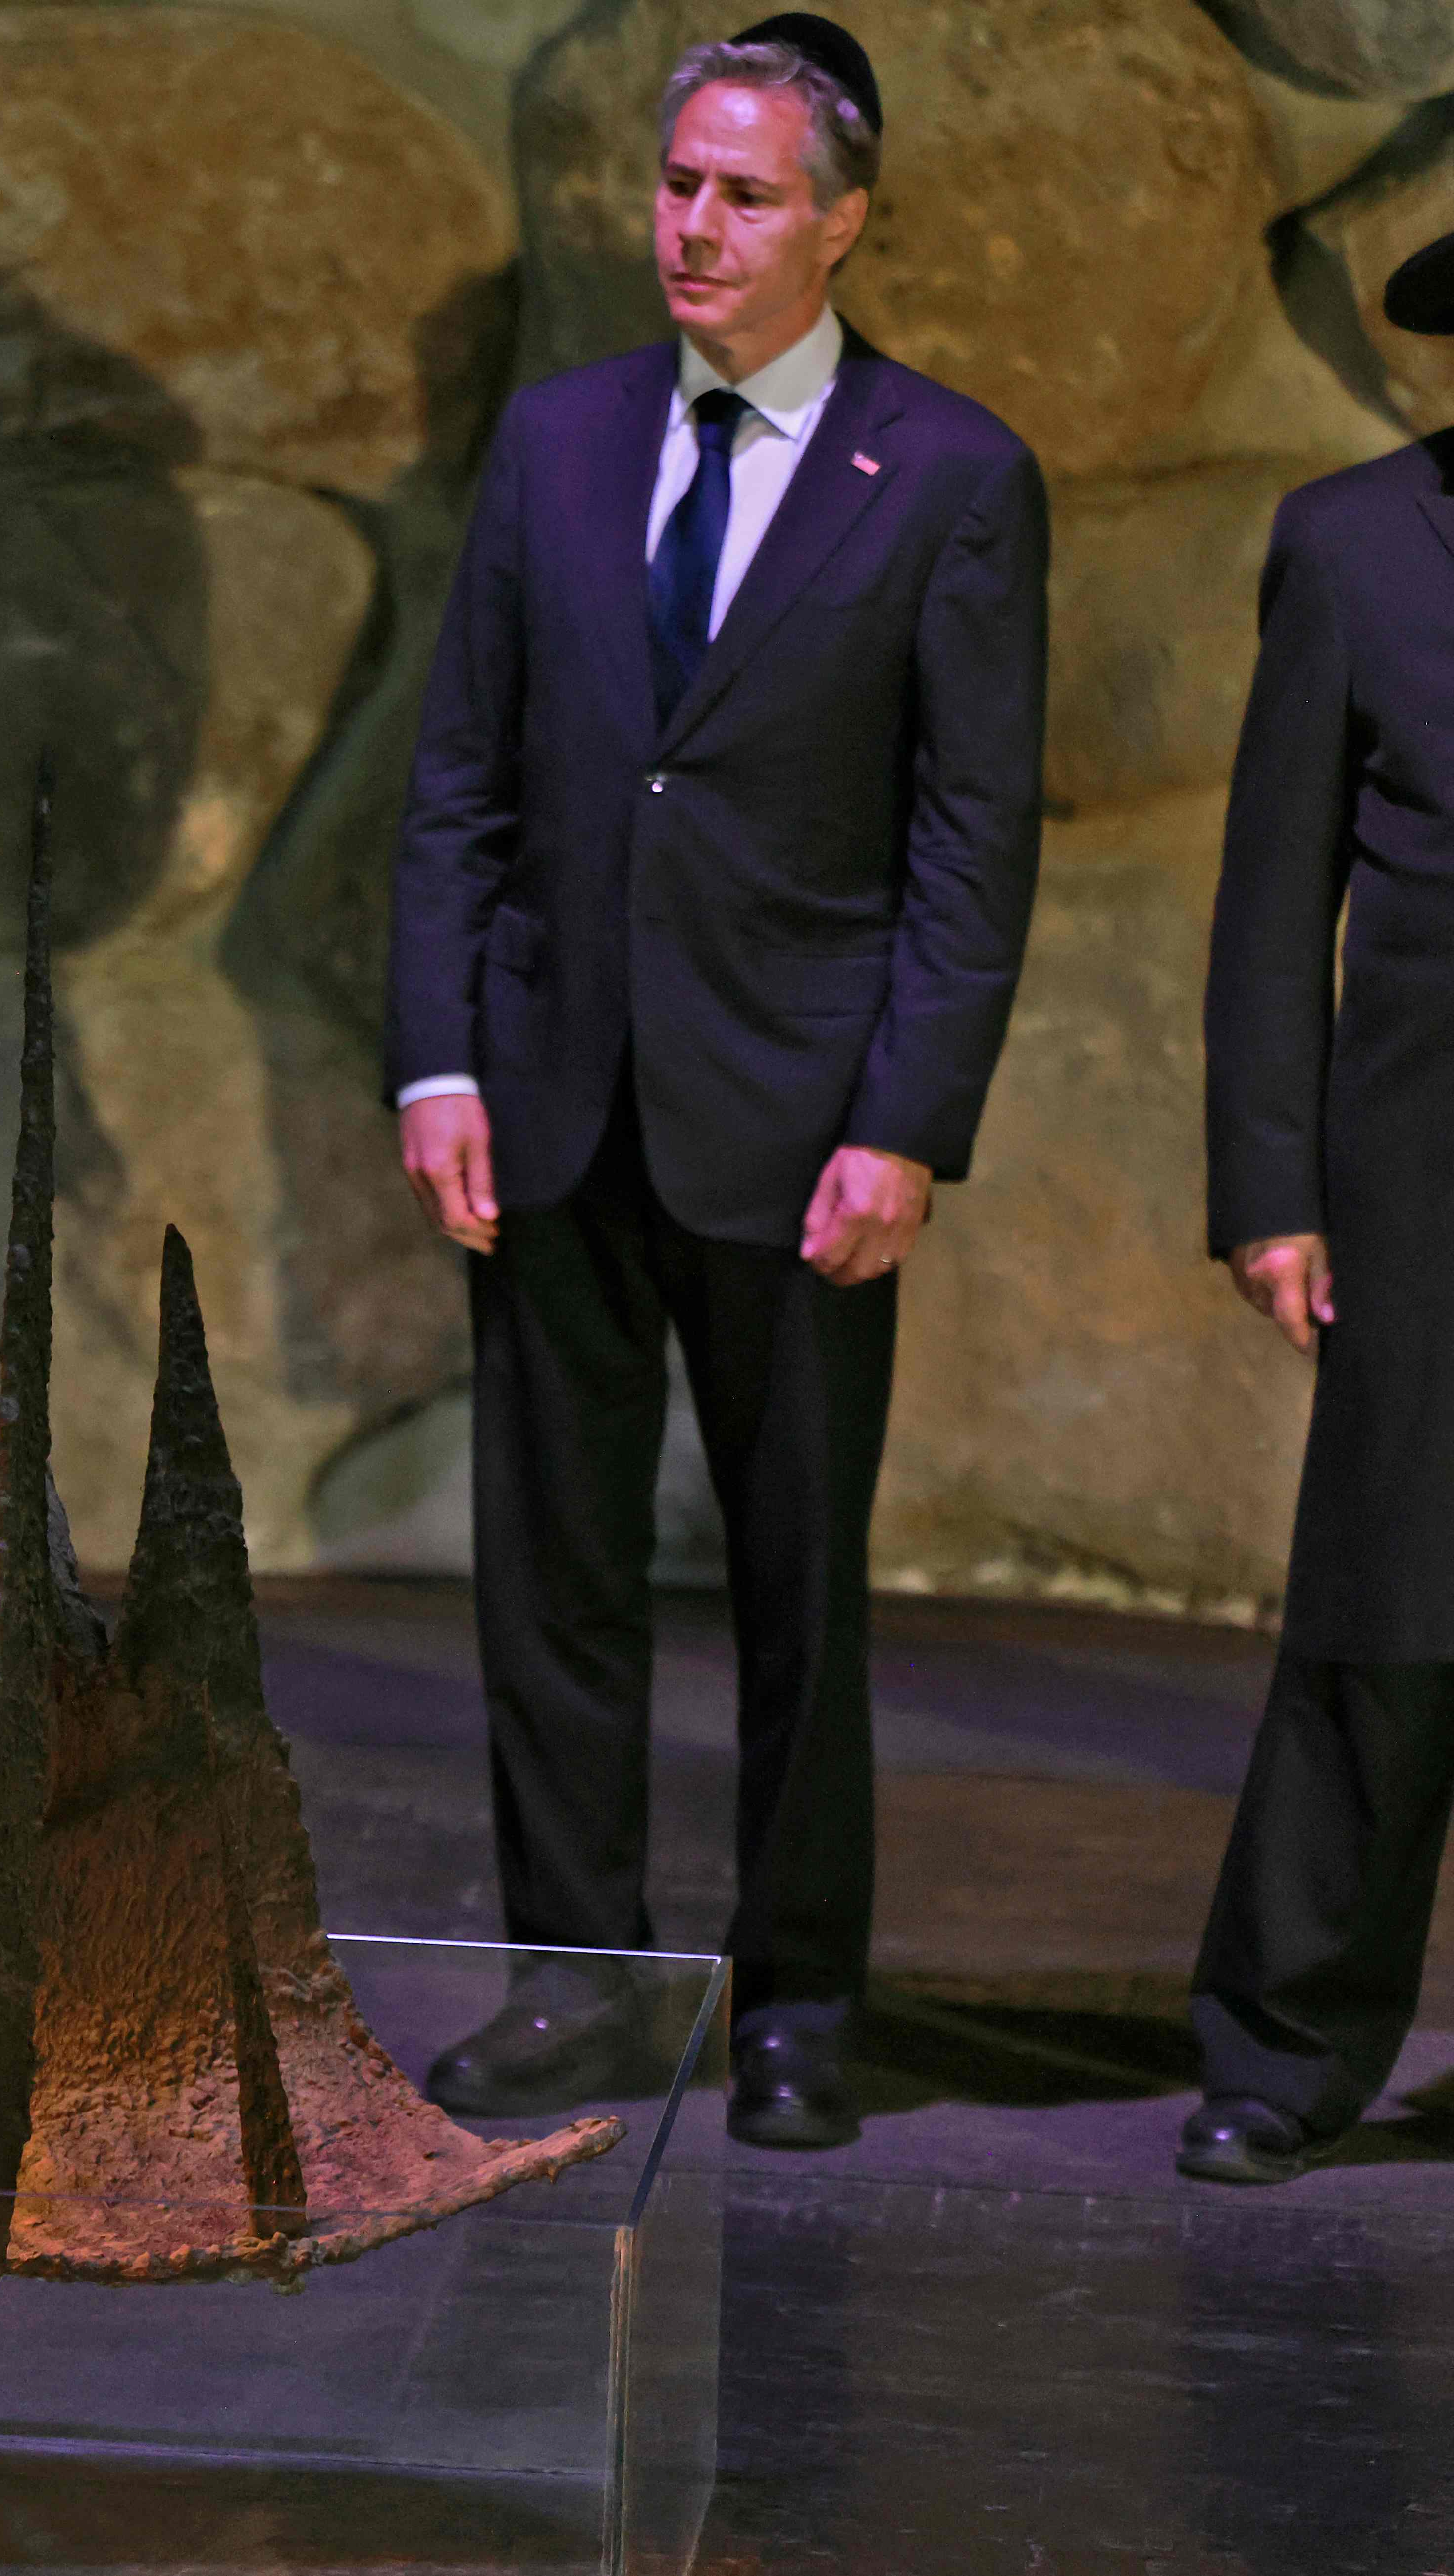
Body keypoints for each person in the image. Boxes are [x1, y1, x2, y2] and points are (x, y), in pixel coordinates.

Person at [384, 16, 1047, 2149]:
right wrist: (434, 1054)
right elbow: (459, 774)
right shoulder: (558, 443)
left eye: (741, 193)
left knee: (794, 1588)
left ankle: (793, 2003)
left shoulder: (942, 476)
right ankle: (573, 1982)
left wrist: (902, 1118)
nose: (690, 223)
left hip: (796, 1129)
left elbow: (968, 835)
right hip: (555, 1096)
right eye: (675, 181)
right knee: (547, 1580)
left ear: (841, 224)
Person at [1175, 232, 1454, 2188]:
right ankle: (1283, 2036)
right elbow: (1271, 899)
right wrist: (1268, 1186)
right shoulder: (1355, 544)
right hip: (1423, 1171)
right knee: (1382, 1605)